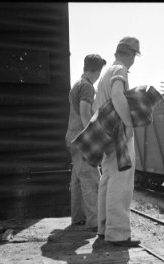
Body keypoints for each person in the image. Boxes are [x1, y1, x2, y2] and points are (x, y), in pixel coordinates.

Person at [95, 37, 141, 246]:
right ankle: (119, 234)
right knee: (121, 182)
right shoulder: (120, 70)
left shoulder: (106, 72)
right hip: (119, 133)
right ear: (131, 54)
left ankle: (104, 229)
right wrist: (129, 123)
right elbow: (117, 95)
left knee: (107, 180)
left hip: (105, 133)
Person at [65, 54, 106, 230]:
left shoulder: (77, 84)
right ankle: (94, 222)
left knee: (77, 179)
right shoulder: (88, 87)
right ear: (97, 71)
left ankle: (78, 218)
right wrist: (93, 137)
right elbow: (84, 113)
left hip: (71, 137)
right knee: (91, 179)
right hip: (82, 138)